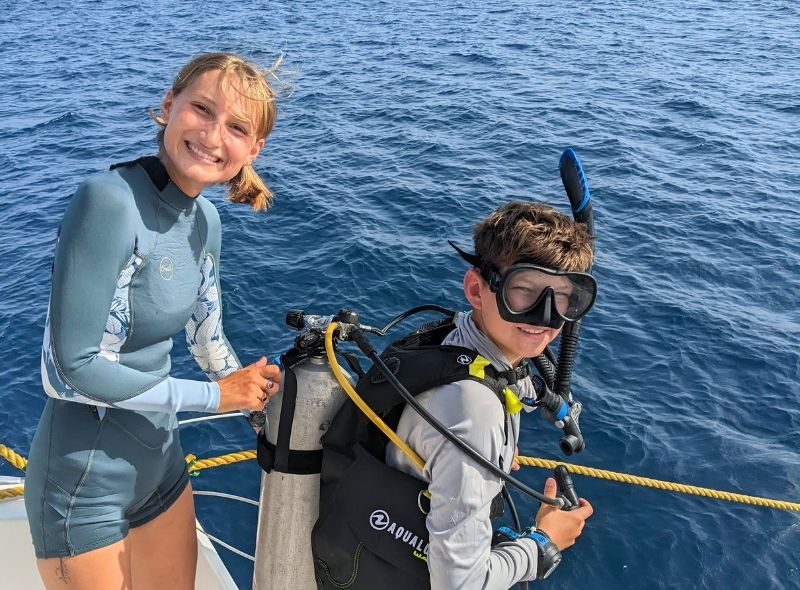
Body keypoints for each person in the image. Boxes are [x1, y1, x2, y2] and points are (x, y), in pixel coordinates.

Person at [24, 52, 283, 590]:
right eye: (202, 109)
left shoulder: (205, 221)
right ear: (170, 106)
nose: (213, 135)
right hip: (82, 486)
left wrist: (263, 408)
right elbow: (69, 371)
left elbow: (209, 342)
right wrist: (217, 399)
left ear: (253, 149)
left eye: (236, 127)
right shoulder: (109, 202)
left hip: (162, 466)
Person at [385, 200, 596, 589]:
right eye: (524, 291)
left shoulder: (455, 338)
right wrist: (543, 543)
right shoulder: (473, 413)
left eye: (564, 297)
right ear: (476, 290)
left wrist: (492, 450)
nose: (545, 317)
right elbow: (460, 584)